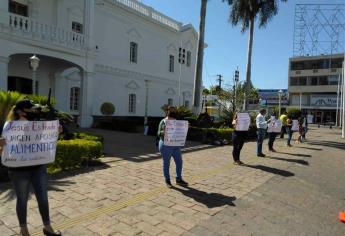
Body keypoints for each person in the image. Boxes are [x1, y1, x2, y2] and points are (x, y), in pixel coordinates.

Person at [0, 99, 62, 236]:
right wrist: (1, 145)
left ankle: (47, 227)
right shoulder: (9, 127)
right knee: (22, 200)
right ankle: (24, 230)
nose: (34, 111)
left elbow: (45, 143)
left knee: (43, 198)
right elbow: (3, 152)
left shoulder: (37, 125)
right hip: (18, 171)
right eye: (31, 109)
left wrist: (55, 132)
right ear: (21, 112)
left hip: (38, 168)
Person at [157, 106, 188, 188]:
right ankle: (167, 180)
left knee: (179, 162)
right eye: (171, 110)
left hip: (175, 146)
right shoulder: (163, 121)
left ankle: (178, 179)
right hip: (165, 145)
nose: (173, 112)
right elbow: (158, 133)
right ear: (167, 111)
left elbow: (180, 132)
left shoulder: (176, 121)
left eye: (174, 111)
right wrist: (163, 131)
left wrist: (186, 127)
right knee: (166, 163)